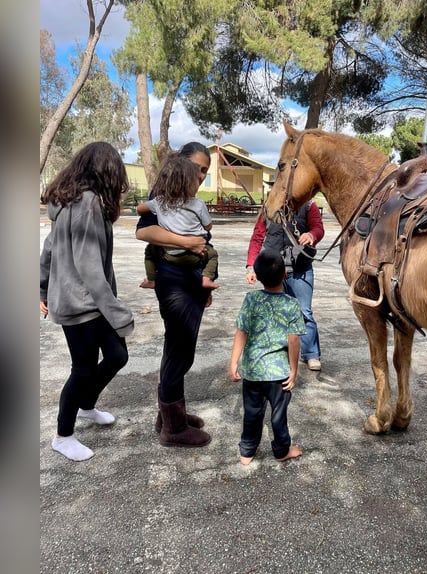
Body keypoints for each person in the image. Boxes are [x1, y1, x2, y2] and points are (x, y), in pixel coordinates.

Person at [40, 141, 134, 461]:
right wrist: (117, 312)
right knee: (82, 369)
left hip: (85, 301)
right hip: (81, 304)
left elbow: (49, 250)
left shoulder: (70, 202)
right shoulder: (88, 204)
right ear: (106, 172)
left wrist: (41, 290)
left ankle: (86, 405)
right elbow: (90, 267)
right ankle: (63, 436)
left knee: (117, 355)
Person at [135, 141, 212, 447]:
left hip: (191, 279)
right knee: (180, 351)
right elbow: (143, 231)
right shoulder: (165, 192)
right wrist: (188, 242)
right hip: (175, 280)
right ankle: (174, 429)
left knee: (178, 347)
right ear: (182, 164)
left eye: (206, 170)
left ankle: (169, 414)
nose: (202, 174)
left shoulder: (190, 196)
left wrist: (204, 282)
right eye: (197, 167)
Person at [229, 250, 304, 465]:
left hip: (253, 371)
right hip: (278, 373)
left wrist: (234, 362)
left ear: (258, 277)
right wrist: (294, 370)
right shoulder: (291, 304)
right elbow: (294, 341)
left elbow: (241, 331)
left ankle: (247, 452)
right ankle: (281, 451)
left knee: (251, 413)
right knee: (278, 415)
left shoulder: (251, 299)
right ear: (285, 275)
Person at [245, 199, 325, 370]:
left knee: (304, 311)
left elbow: (318, 228)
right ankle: (278, 352)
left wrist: (312, 235)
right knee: (274, 312)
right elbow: (257, 238)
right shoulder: (267, 210)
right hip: (273, 268)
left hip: (300, 268)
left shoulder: (308, 206)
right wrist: (251, 267)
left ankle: (311, 353)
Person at [137, 153, 219, 290]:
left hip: (169, 254)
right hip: (194, 255)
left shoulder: (159, 201)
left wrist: (144, 208)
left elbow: (140, 209)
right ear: (189, 183)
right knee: (212, 255)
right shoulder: (198, 204)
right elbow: (208, 226)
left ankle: (151, 280)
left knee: (150, 251)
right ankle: (206, 279)